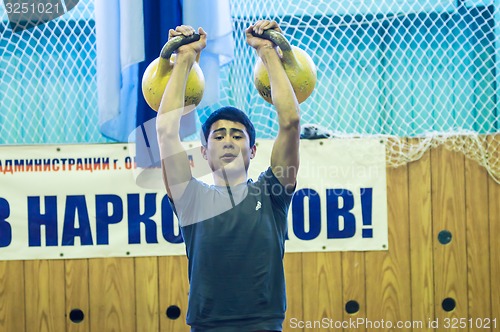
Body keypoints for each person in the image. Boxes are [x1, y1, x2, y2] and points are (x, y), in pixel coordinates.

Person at [156, 20, 300, 332]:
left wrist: (268, 53)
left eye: (237, 135)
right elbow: (166, 131)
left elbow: (290, 121)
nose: (228, 141)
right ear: (204, 151)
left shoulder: (271, 194)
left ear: (253, 150)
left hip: (263, 325)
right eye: (219, 136)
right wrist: (184, 59)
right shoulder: (191, 199)